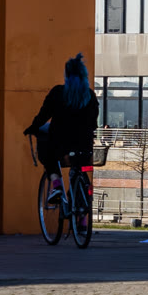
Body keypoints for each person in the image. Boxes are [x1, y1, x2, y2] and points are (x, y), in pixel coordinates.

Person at [26, 54, 100, 199]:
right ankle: (84, 209)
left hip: (60, 145)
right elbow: (93, 123)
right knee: (80, 167)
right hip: (84, 145)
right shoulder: (90, 95)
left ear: (67, 75)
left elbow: (43, 115)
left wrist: (33, 127)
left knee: (47, 153)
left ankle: (57, 185)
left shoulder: (58, 92)